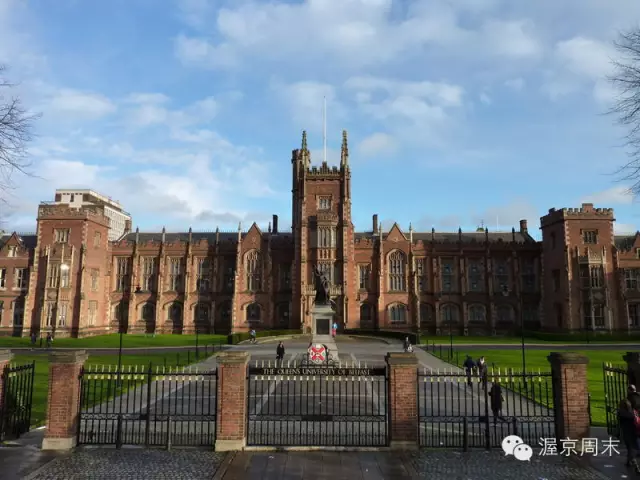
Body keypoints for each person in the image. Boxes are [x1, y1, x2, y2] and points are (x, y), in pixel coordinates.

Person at [618, 398, 640, 471]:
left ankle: (632, 463)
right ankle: (632, 463)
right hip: (634, 432)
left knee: (629, 448)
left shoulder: (621, 412)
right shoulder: (632, 413)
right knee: (633, 448)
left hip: (626, 432)